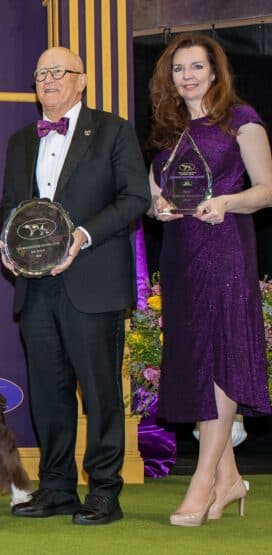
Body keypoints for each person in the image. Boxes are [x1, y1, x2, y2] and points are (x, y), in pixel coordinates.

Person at [0, 47, 150, 525]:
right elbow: (9, 208)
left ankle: (104, 489)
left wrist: (80, 237)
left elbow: (135, 197)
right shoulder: (21, 140)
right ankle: (56, 486)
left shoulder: (112, 130)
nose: (49, 81)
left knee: (101, 391)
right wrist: (9, 245)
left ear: (81, 81)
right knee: (48, 392)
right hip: (37, 288)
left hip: (93, 281)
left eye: (59, 72)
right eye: (41, 73)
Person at [146, 33, 272, 526]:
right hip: (180, 256)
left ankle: (202, 482)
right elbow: (155, 195)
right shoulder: (167, 133)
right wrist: (156, 208)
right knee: (197, 360)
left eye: (197, 66)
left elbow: (265, 190)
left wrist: (226, 201)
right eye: (179, 69)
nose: (188, 76)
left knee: (220, 358)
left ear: (216, 73)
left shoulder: (242, 119)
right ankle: (230, 479)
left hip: (224, 251)